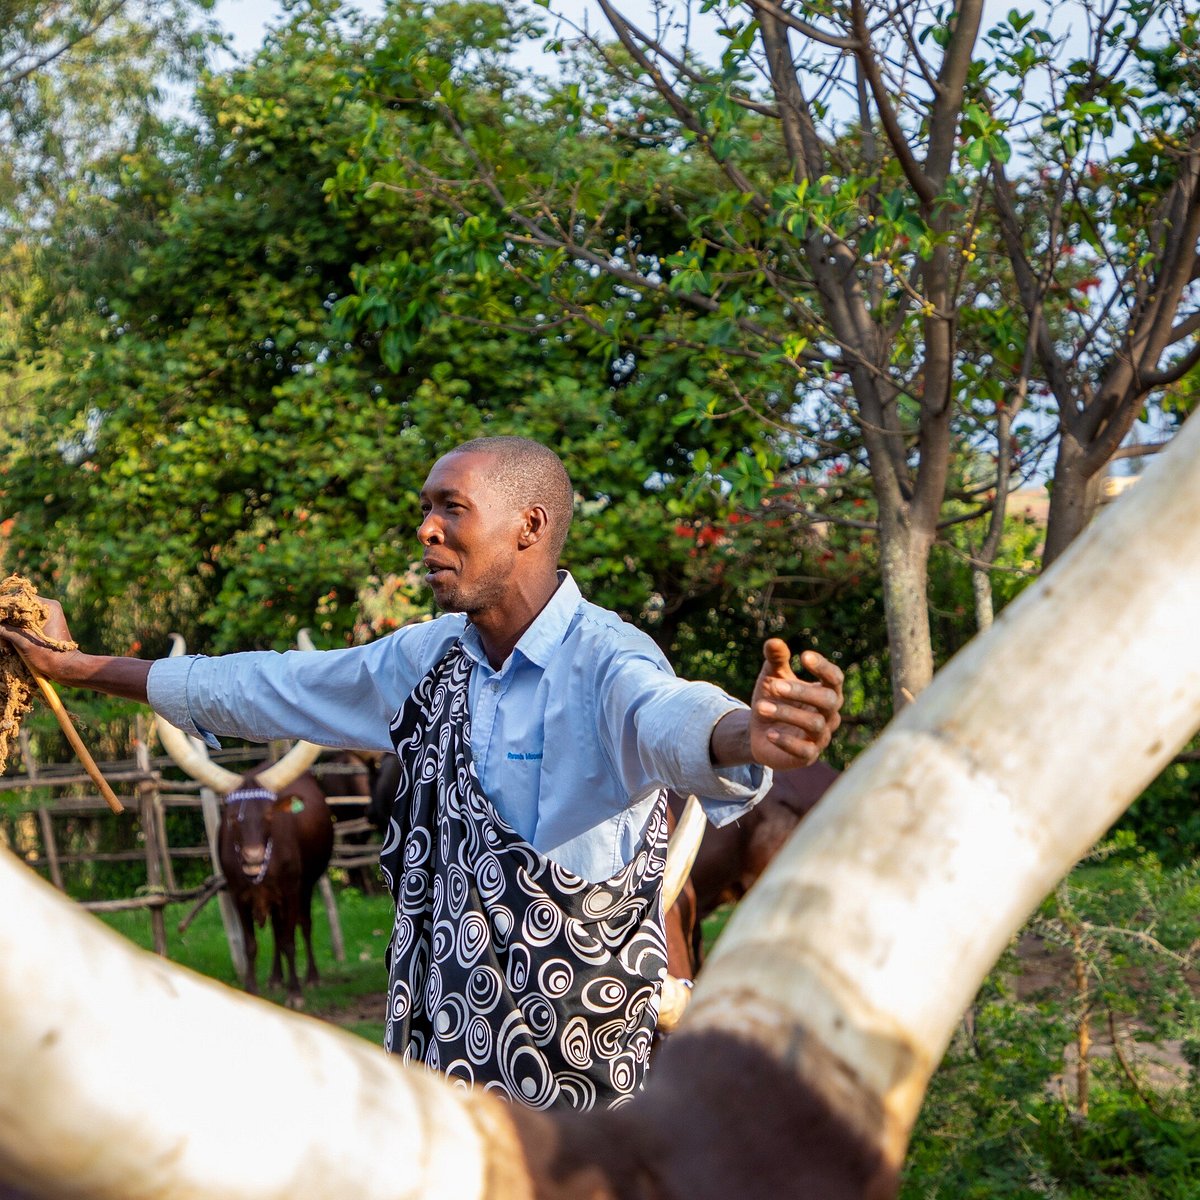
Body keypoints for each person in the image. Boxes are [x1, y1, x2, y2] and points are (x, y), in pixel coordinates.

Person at [3, 435, 843, 1111]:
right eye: (425, 509)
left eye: (451, 509)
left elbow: (673, 717)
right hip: (432, 1088)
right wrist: (83, 669)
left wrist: (747, 733)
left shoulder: (608, 663)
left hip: (575, 1102)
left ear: (529, 524)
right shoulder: (426, 658)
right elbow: (266, 687)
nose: (426, 530)